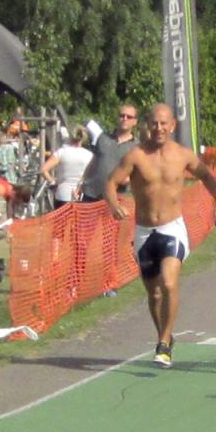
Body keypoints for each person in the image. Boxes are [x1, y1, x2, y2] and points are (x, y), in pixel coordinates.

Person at [105, 104, 216, 368]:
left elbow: (206, 176)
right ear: (147, 125)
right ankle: (165, 334)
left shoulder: (183, 155)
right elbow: (111, 183)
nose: (159, 128)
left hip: (172, 228)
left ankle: (162, 343)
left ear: (173, 125)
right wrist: (113, 203)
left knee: (169, 282)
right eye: (155, 123)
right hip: (144, 232)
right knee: (154, 294)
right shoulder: (136, 156)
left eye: (164, 123)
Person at [80, 105, 141, 298]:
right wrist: (82, 181)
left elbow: (139, 172)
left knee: (110, 245)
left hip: (116, 200)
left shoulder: (137, 147)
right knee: (82, 241)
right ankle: (76, 284)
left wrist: (128, 179)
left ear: (135, 121)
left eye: (129, 116)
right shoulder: (103, 139)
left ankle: (109, 284)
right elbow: (94, 162)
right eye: (122, 115)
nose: (124, 119)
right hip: (91, 195)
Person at [40, 126, 93, 209]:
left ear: (70, 137)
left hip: (62, 194)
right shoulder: (89, 155)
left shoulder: (61, 152)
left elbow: (43, 170)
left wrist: (53, 182)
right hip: (81, 195)